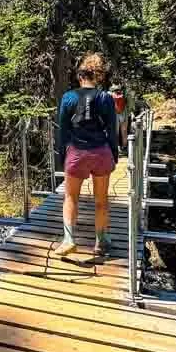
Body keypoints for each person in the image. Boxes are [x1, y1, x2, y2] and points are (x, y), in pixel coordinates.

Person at [54, 52, 118, 258]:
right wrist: (114, 155)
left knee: (71, 197)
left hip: (77, 152)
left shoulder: (69, 97)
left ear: (80, 77)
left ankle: (69, 240)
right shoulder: (105, 98)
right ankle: (101, 241)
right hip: (101, 152)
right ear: (96, 77)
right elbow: (111, 129)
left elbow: (62, 130)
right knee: (102, 201)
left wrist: (61, 155)